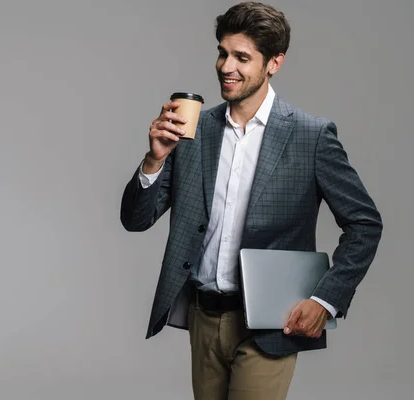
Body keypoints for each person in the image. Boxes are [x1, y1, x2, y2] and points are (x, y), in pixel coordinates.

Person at [120, 2, 383, 399]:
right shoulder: (194, 132)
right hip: (203, 317)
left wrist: (325, 300)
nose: (227, 67)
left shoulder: (311, 136)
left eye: (242, 57)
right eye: (223, 53)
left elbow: (365, 224)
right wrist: (155, 159)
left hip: (271, 325)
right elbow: (136, 220)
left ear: (274, 62)